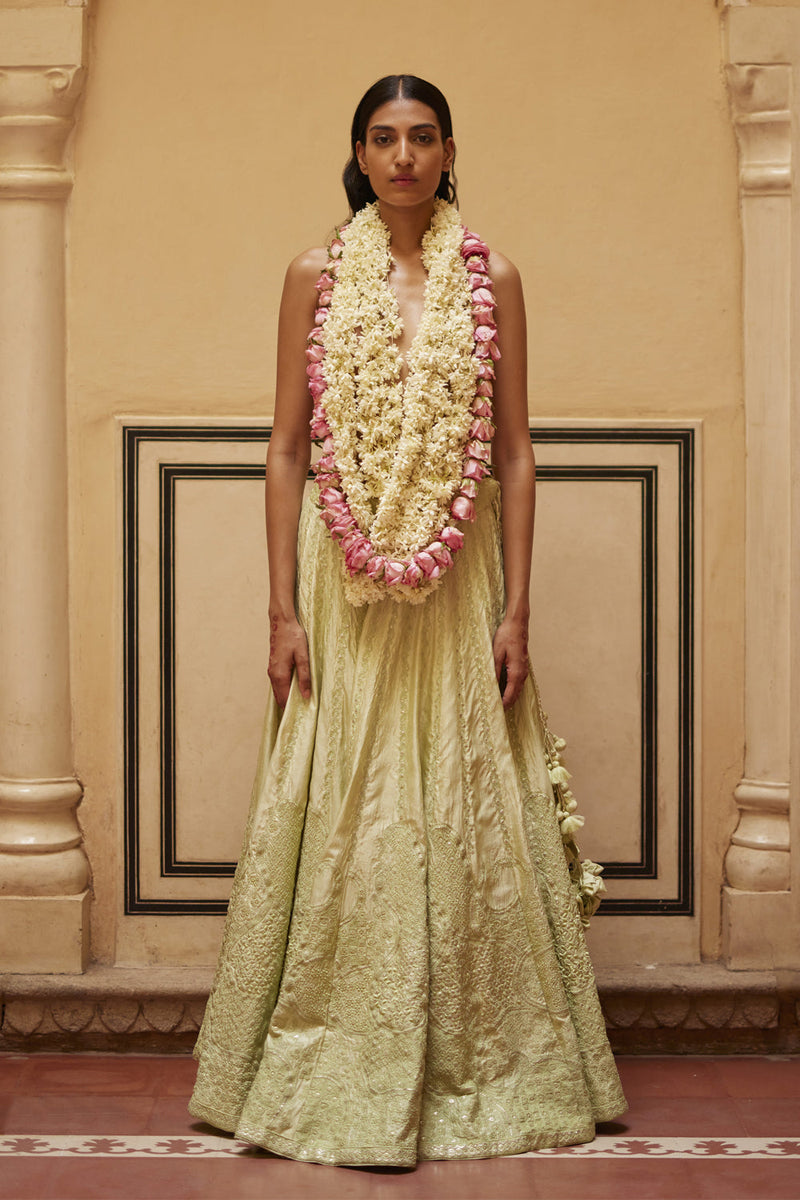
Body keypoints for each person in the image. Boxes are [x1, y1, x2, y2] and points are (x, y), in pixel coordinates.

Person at [189, 73, 626, 1167]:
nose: (401, 157)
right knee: (341, 798)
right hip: (338, 581)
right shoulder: (310, 276)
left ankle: (475, 1056)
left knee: (463, 801)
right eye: (382, 138)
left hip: (458, 574)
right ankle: (323, 1048)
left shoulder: (492, 277)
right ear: (356, 151)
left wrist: (518, 608)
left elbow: (515, 455)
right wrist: (279, 609)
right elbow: (287, 449)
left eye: (420, 137)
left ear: (446, 150)